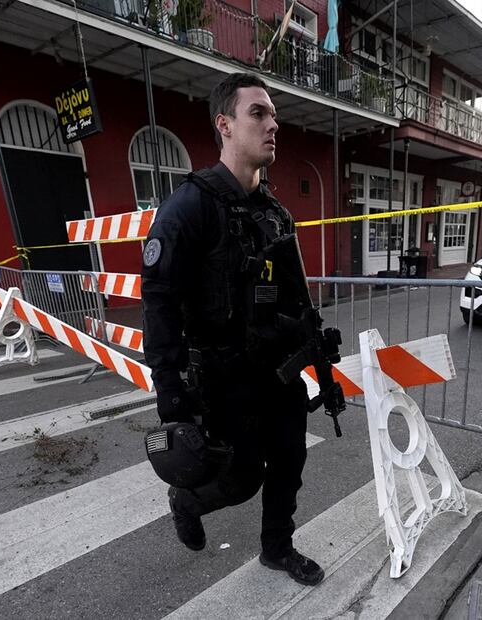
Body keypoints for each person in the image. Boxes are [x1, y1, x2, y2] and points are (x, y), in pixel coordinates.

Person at [141, 73, 324, 586]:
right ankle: (187, 500)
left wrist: (312, 342)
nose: (273, 125)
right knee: (243, 478)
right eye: (258, 114)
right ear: (224, 124)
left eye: (274, 115)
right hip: (221, 374)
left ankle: (277, 549)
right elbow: (158, 303)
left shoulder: (274, 213)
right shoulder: (190, 206)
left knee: (289, 459)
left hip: (275, 370)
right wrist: (171, 395)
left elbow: (296, 295)